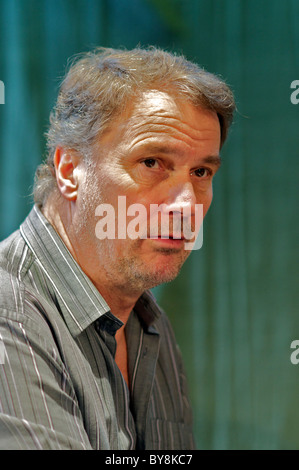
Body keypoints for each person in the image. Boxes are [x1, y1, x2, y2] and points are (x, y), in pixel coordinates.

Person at [0, 46, 235, 450]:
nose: (186, 205)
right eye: (152, 162)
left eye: (201, 172)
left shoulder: (149, 324)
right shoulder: (9, 316)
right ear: (70, 170)